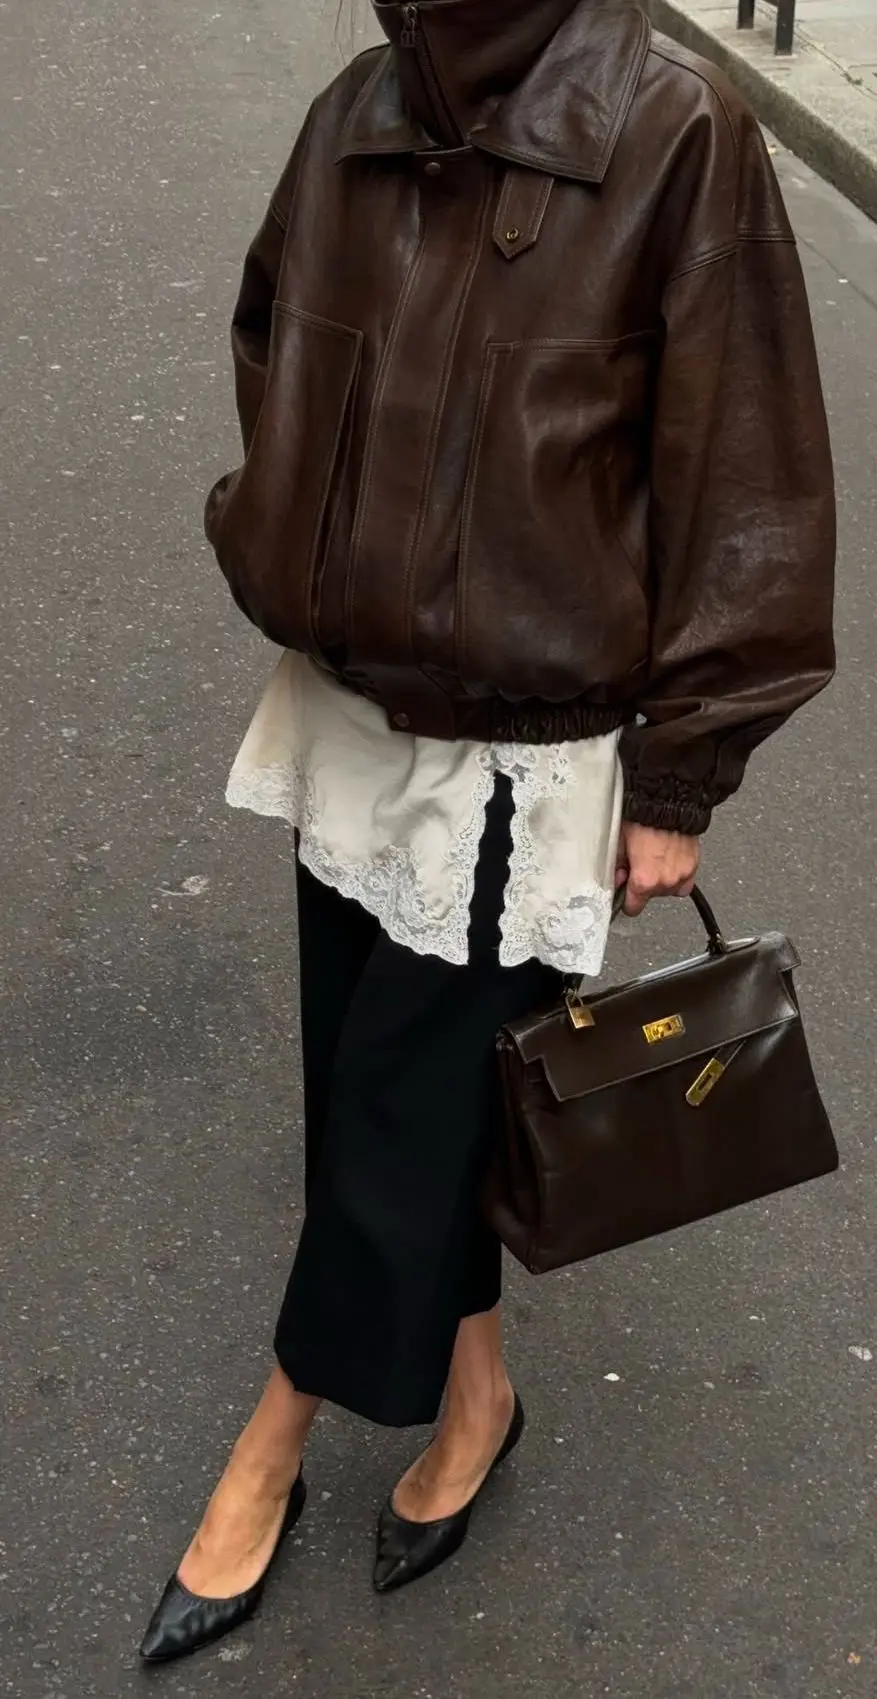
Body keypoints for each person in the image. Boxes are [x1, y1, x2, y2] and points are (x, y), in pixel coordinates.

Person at [139, 0, 835, 1664]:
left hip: (528, 756)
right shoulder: (359, 105)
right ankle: (479, 1395)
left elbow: (747, 479)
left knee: (397, 1119)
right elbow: (272, 338)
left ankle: (268, 1447)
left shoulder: (675, 130)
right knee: (374, 1085)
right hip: (349, 712)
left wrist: (680, 776)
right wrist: (287, 537)